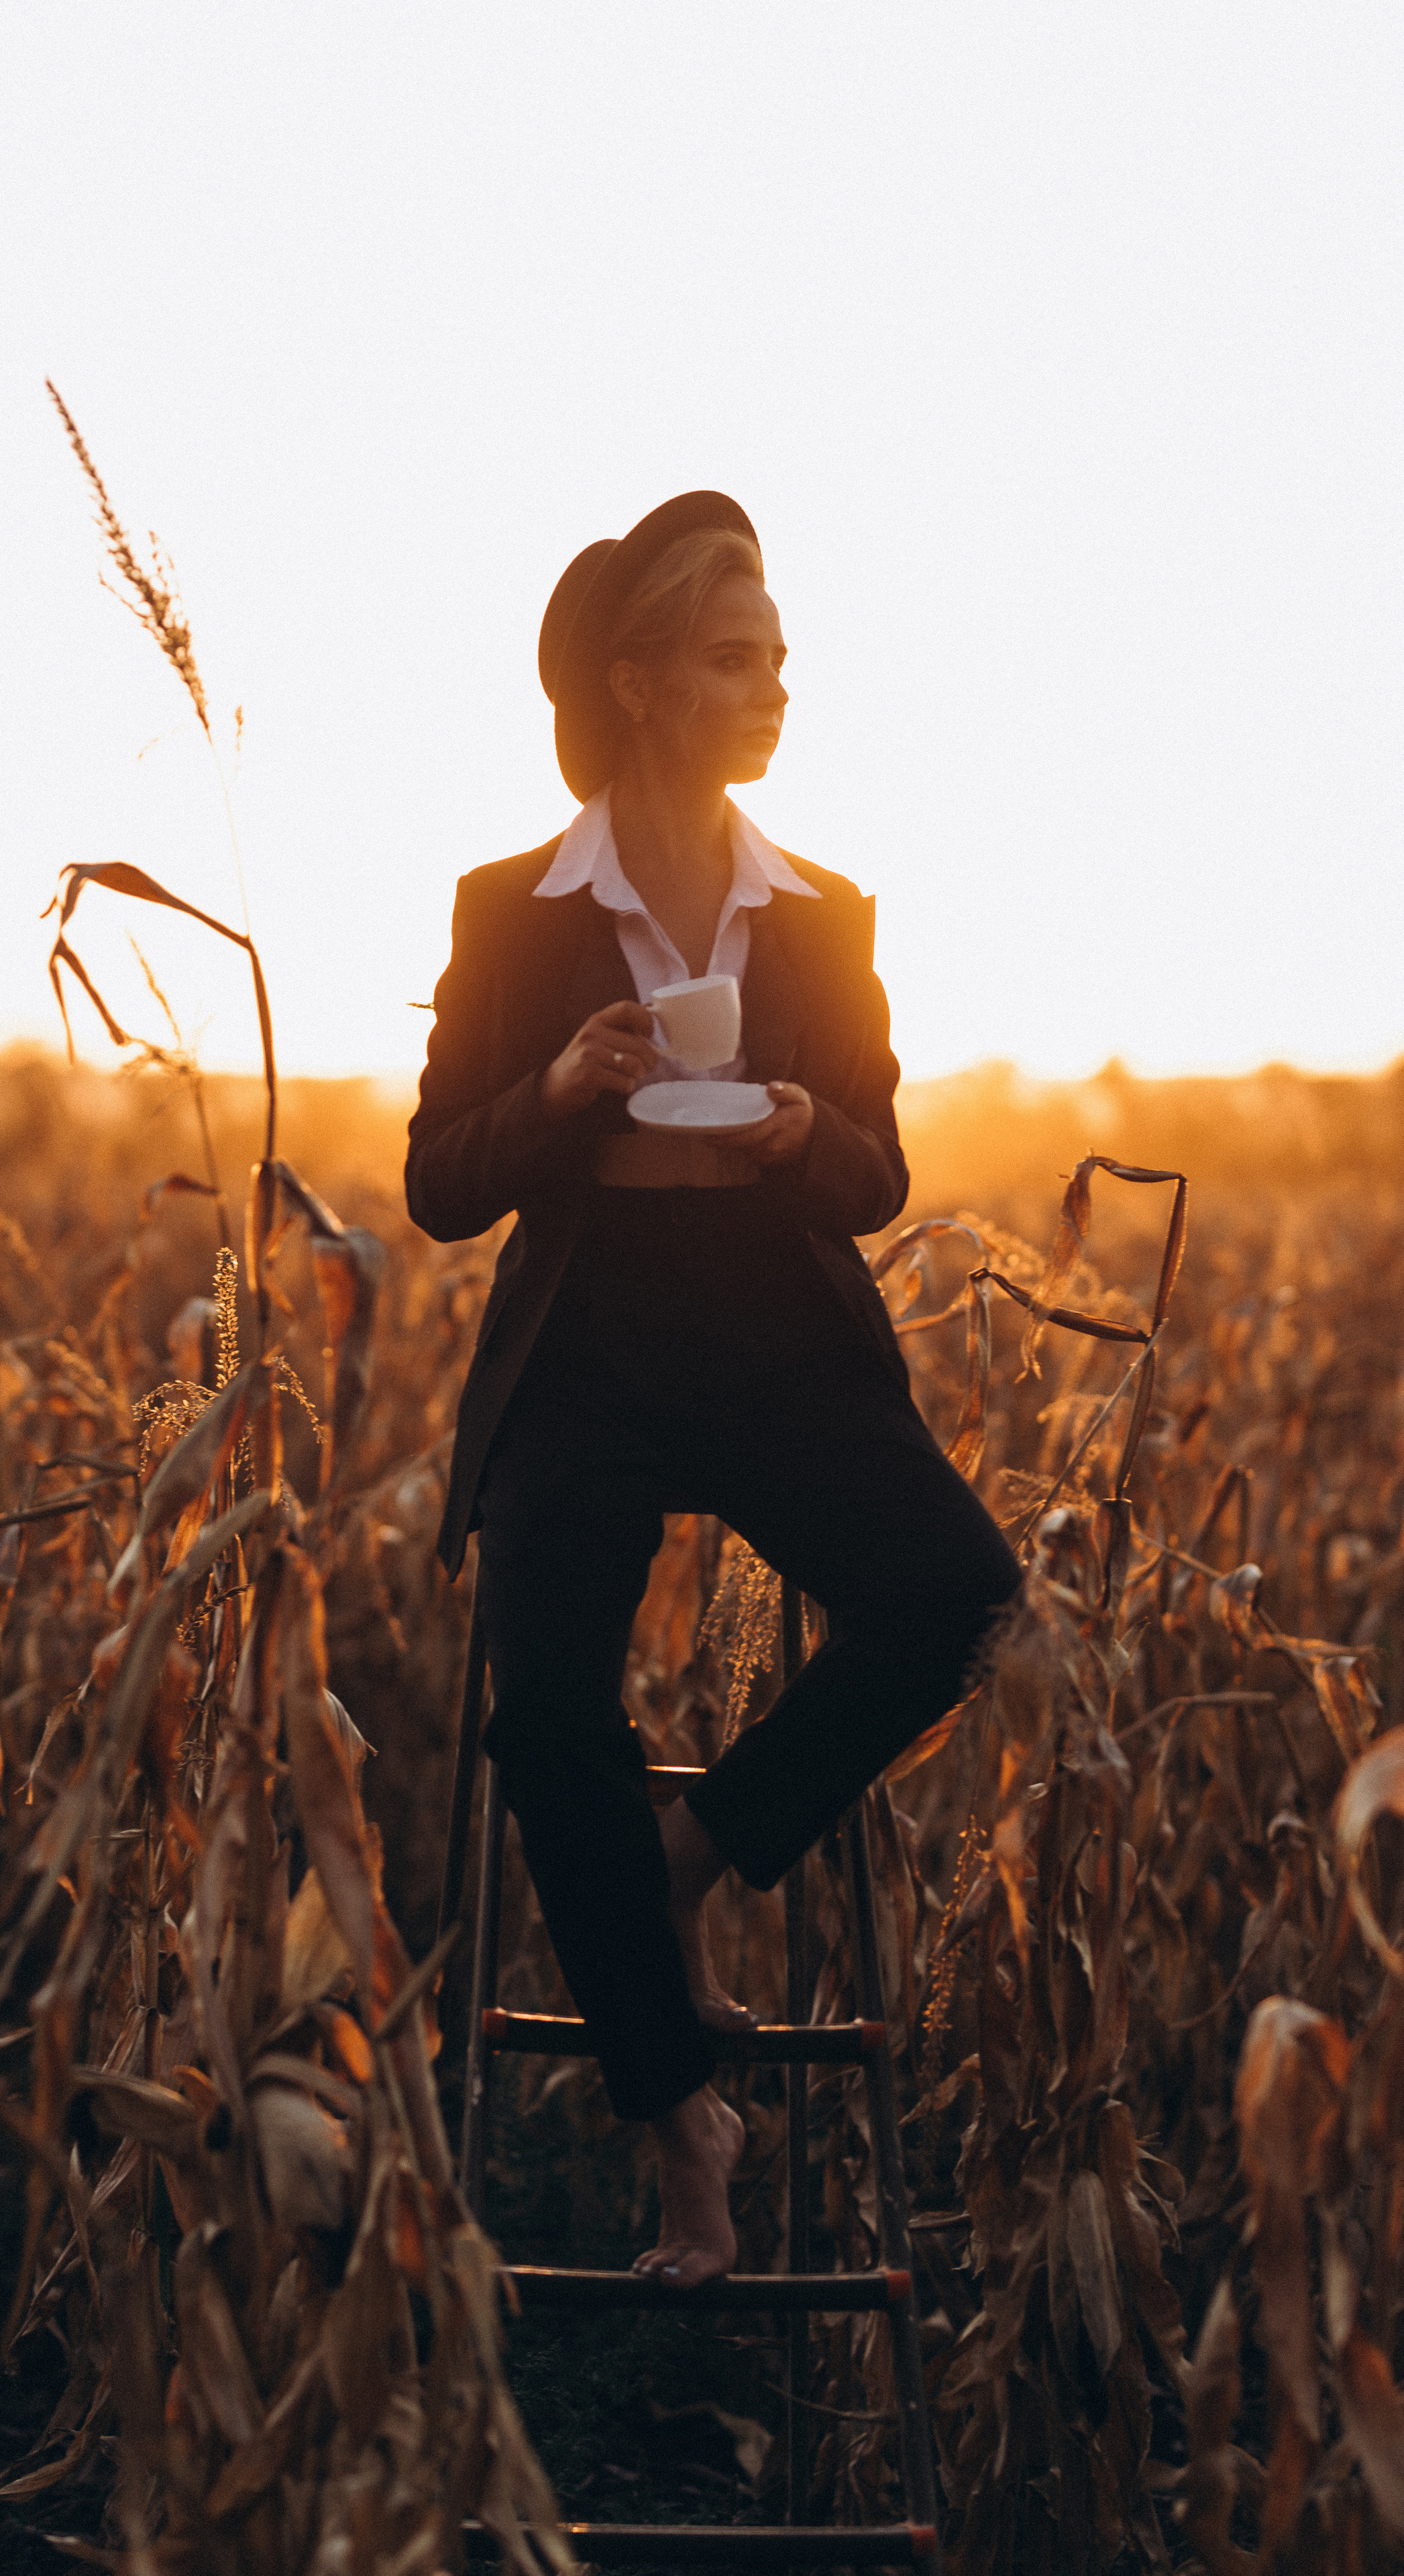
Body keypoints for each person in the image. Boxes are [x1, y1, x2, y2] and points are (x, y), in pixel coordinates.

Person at [406, 492, 1020, 2285]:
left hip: (776, 1337)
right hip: (587, 1350)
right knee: (546, 1721)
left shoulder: (822, 916)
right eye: (738, 659)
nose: (774, 688)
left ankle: (691, 1855)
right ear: (643, 680)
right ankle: (683, 2122)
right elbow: (440, 1185)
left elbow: (879, 1176)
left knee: (962, 1593)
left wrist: (802, 1128)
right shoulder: (514, 911)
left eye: (778, 659)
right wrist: (558, 1094)